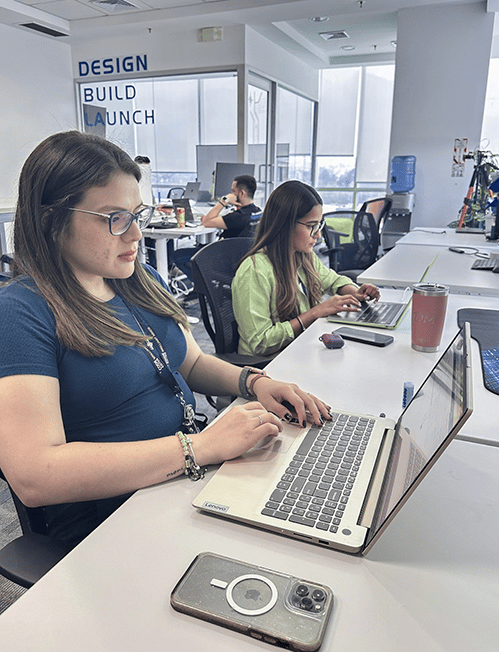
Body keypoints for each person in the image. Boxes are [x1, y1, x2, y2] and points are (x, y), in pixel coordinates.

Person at [0, 133, 330, 549]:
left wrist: (255, 382)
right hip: (112, 515)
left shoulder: (138, 280)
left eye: (137, 213)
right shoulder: (22, 310)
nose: (136, 233)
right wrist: (201, 447)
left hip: (187, 477)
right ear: (51, 221)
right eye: (115, 218)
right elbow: (34, 474)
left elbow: (189, 363)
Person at [232, 180, 380, 357]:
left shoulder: (303, 256)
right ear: (284, 225)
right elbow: (261, 343)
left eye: (319, 225)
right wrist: (315, 313)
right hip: (270, 363)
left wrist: (355, 292)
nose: (318, 235)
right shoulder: (254, 271)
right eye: (311, 226)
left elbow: (333, 280)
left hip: (300, 347)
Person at [170, 174, 261, 283]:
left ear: (242, 193)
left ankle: (204, 287)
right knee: (200, 246)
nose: (230, 194)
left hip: (224, 259)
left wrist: (223, 201)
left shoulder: (237, 217)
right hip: (243, 258)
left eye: (233, 191)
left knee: (177, 255)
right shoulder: (258, 212)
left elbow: (207, 221)